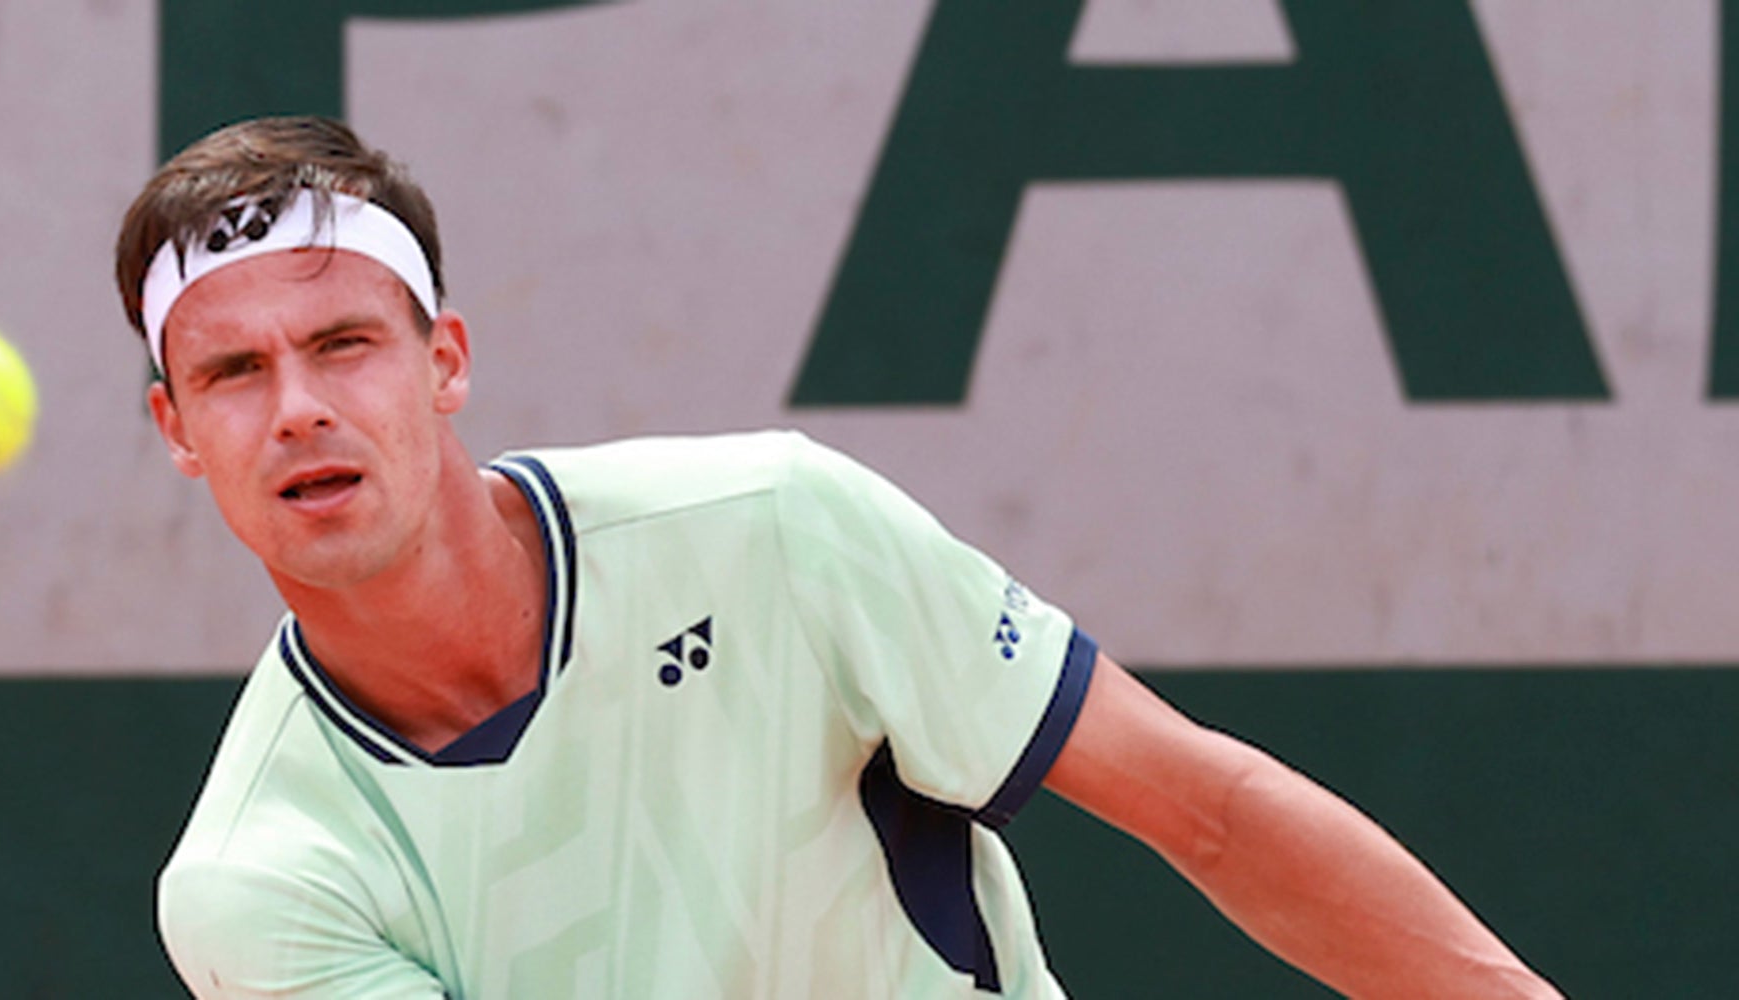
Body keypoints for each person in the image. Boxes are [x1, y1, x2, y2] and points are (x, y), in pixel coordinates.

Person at [114, 115, 1555, 998]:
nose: (298, 408)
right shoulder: (259, 883)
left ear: (445, 363)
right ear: (179, 429)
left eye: (344, 343)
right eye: (235, 371)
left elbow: (1208, 811)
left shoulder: (774, 528)